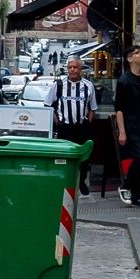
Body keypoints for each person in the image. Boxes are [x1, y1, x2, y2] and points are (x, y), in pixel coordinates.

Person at [113, 42, 140, 208]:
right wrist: (122, 131)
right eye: (138, 53)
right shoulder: (125, 81)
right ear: (130, 59)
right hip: (131, 127)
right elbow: (119, 109)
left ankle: (136, 196)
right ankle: (126, 186)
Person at [51, 56, 98, 195]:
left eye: (75, 67)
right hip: (65, 127)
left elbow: (92, 107)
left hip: (81, 126)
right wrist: (57, 122)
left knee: (84, 155)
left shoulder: (88, 85)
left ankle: (81, 180)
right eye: (70, 67)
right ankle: (64, 180)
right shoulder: (59, 85)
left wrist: (88, 122)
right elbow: (49, 105)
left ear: (80, 69)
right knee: (64, 155)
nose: (72, 70)